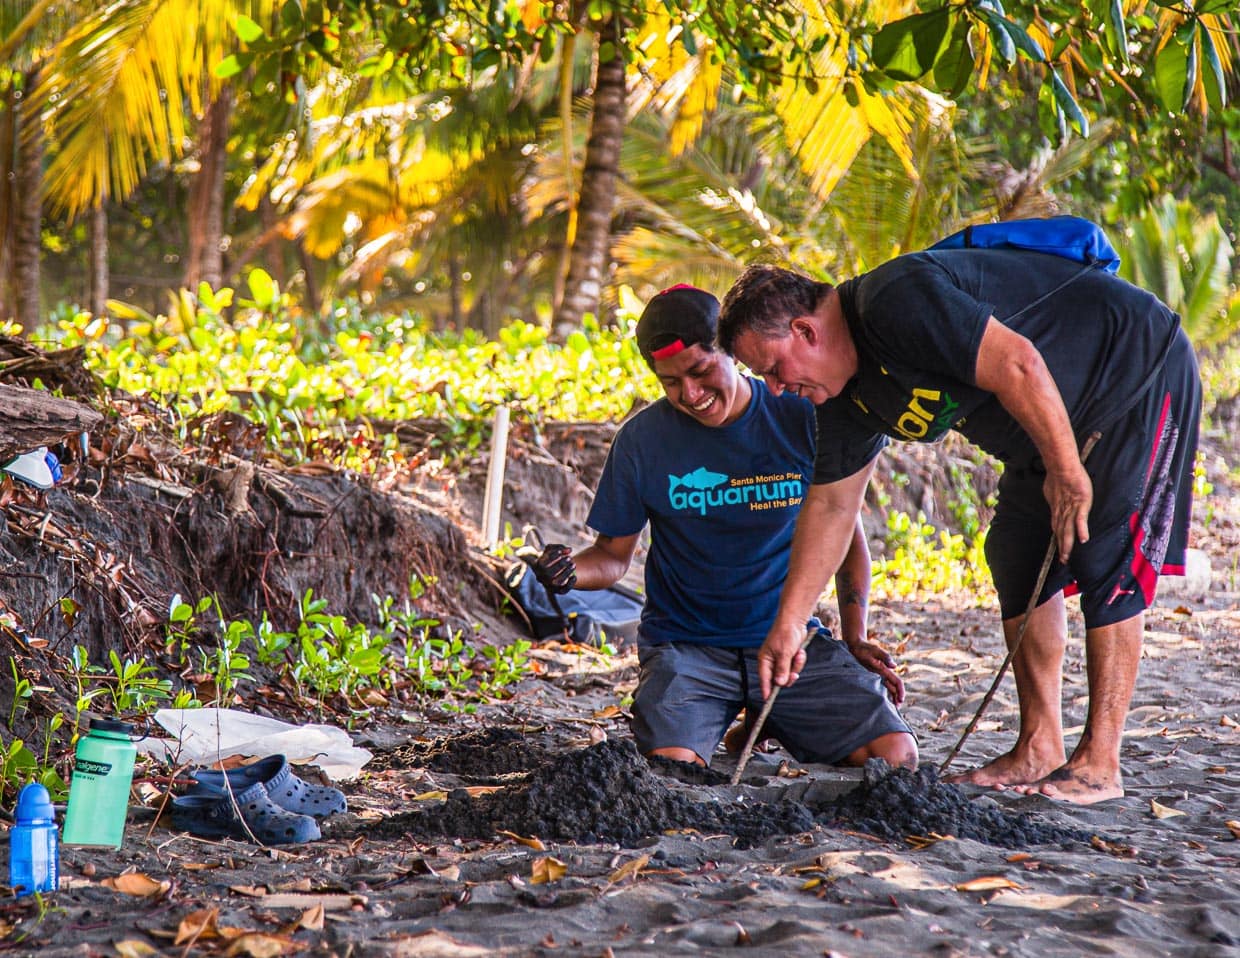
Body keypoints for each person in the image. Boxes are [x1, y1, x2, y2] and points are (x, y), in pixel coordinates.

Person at [716, 248, 1201, 805]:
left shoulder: (893, 302)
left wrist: (1068, 472)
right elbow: (830, 509)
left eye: (773, 369)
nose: (774, 388)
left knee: (1104, 549)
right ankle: (1039, 746)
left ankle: (1099, 763)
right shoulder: (841, 398)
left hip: (1132, 371)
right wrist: (789, 626)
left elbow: (1018, 362)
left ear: (805, 330)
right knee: (1016, 551)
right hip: (1042, 428)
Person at [531, 284, 917, 770]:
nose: (689, 395)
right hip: (687, 649)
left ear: (733, 353)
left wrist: (855, 637)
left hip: (789, 646)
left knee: (896, 758)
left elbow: (846, 535)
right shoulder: (641, 441)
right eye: (670, 383)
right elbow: (610, 558)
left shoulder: (800, 412)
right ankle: (746, 715)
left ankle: (773, 715)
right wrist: (568, 571)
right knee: (672, 767)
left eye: (699, 371)